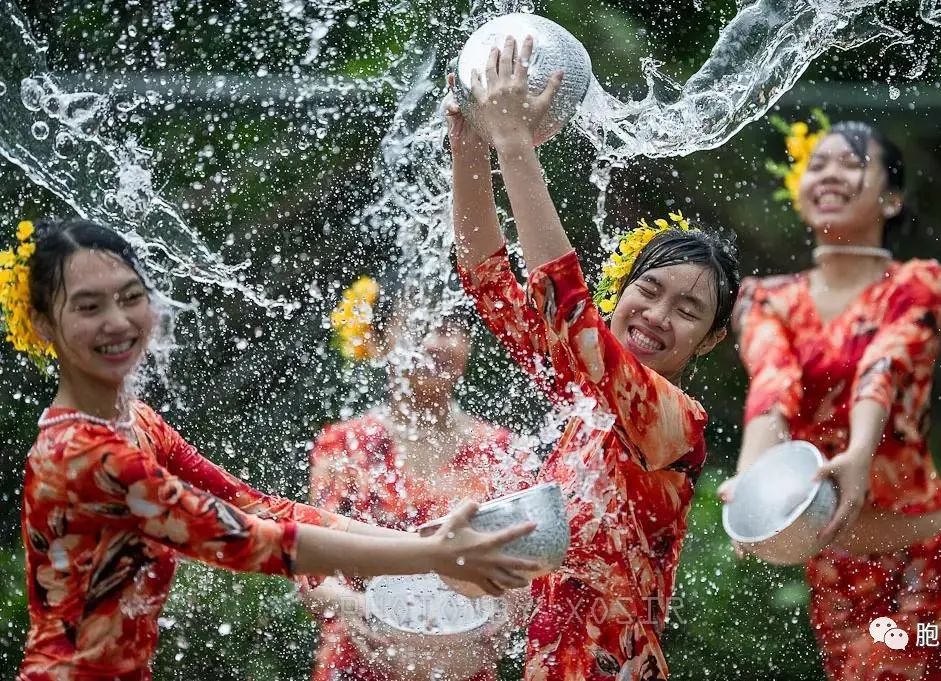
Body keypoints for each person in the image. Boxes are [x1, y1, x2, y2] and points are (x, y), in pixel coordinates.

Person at [3, 218, 539, 681]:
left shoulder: (134, 421)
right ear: (44, 324)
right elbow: (253, 540)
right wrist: (433, 556)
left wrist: (428, 545)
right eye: (89, 306)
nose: (118, 321)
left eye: (130, 297)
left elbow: (257, 504)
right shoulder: (82, 455)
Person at [446, 36, 740, 680]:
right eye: (649, 290)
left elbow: (570, 312)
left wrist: (516, 147)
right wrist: (469, 140)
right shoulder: (586, 401)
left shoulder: (676, 423)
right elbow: (489, 281)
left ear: (712, 339)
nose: (658, 316)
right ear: (623, 291)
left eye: (689, 312)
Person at [724, 118, 941, 680]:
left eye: (851, 162)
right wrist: (750, 480)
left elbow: (880, 367)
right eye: (818, 163)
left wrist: (859, 452)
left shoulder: (917, 284)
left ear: (890, 197)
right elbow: (773, 385)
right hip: (834, 569)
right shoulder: (767, 299)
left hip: (921, 557)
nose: (830, 173)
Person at [302, 274, 533, 681]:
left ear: (470, 345)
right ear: (381, 339)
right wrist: (354, 609)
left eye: (448, 329)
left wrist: (503, 617)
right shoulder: (345, 446)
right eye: (417, 327)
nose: (433, 344)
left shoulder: (501, 451)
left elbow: (526, 573)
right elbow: (310, 568)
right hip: (360, 662)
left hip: (464, 664)